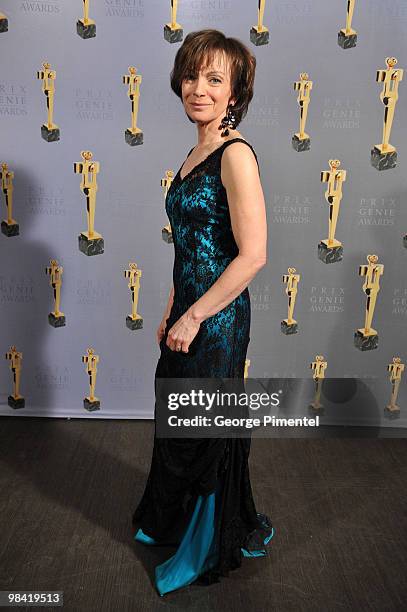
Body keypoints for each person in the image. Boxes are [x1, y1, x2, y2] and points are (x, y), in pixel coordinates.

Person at [132, 29, 274, 596]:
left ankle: (204, 544)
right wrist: (171, 309)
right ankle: (172, 519)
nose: (199, 88)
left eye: (215, 79)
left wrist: (196, 317)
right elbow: (188, 248)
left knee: (207, 427)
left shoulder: (236, 155)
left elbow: (254, 255)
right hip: (188, 310)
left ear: (235, 93)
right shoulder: (195, 152)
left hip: (217, 321)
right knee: (179, 421)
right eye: (193, 75)